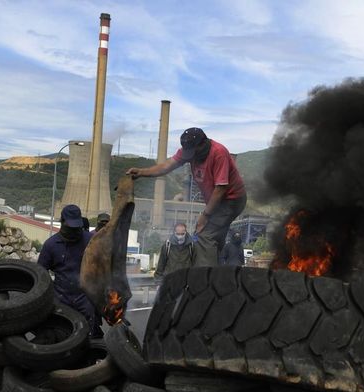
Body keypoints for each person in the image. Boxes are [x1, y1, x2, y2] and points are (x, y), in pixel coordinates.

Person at [126, 128, 246, 267]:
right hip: (217, 201)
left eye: (193, 152)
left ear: (203, 145)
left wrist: (205, 215)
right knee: (216, 238)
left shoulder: (218, 153)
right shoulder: (188, 152)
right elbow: (166, 166)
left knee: (204, 236)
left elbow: (221, 189)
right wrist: (141, 172)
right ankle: (218, 273)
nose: (190, 156)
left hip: (231, 200)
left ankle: (205, 282)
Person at [38, 205, 102, 337]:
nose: (74, 231)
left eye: (76, 228)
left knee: (86, 335)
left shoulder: (91, 241)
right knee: (62, 334)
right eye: (70, 227)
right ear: (62, 222)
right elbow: (40, 272)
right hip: (61, 298)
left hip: (85, 298)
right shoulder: (51, 245)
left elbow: (101, 266)